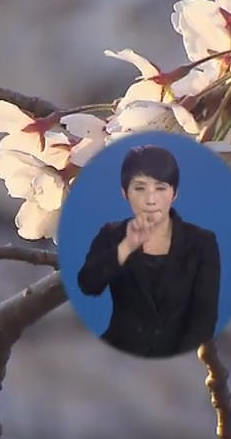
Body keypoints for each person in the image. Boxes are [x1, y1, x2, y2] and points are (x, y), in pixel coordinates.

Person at [76, 145, 221, 358]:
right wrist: (126, 247)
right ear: (124, 193)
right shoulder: (112, 235)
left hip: (177, 358)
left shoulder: (202, 243)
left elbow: (205, 314)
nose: (150, 199)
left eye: (161, 188)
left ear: (175, 193)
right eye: (140, 188)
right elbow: (88, 284)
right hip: (117, 352)